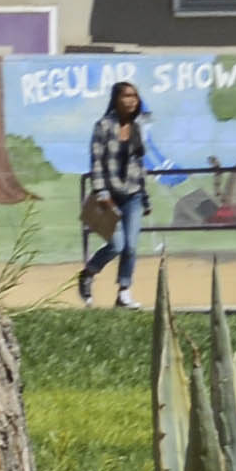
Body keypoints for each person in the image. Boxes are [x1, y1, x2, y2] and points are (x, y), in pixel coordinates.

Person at [73, 79, 152, 304]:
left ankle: (124, 292)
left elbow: (139, 165)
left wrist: (144, 198)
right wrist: (102, 194)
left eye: (134, 96)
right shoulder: (103, 126)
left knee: (132, 246)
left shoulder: (137, 127)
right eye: (126, 96)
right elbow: (96, 161)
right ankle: (88, 273)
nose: (131, 100)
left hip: (133, 195)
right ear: (116, 100)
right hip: (109, 196)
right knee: (117, 245)